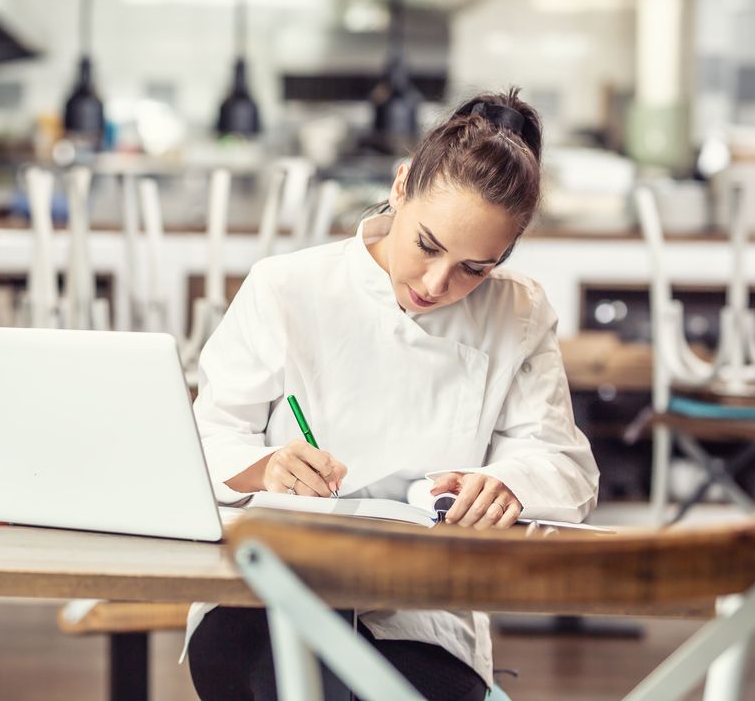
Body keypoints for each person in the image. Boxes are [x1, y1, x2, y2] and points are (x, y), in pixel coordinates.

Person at [186, 89, 600, 701]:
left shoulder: (519, 310)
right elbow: (203, 439)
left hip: (423, 615)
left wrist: (509, 483)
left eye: (474, 268)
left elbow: (564, 465)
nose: (438, 283)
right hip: (266, 596)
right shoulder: (286, 288)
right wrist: (265, 466)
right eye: (428, 246)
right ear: (401, 185)